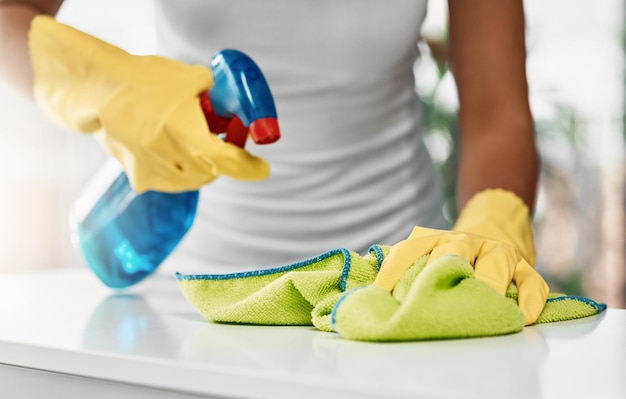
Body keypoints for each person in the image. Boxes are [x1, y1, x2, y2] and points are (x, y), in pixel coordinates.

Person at [0, 0, 549, 324]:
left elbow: (498, 113)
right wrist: (104, 86)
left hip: (389, 296)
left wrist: (494, 221)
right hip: (189, 301)